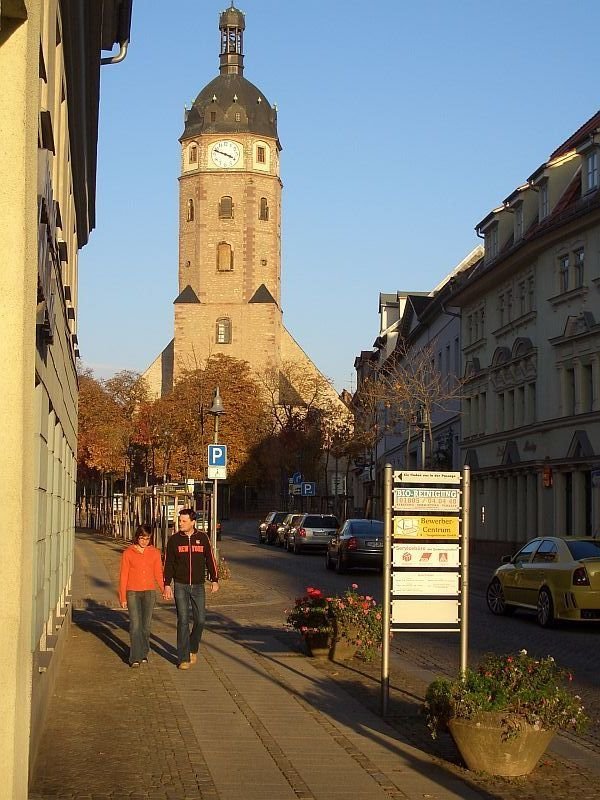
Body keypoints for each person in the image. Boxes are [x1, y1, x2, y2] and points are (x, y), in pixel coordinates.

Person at [163, 508, 219, 669]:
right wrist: (167, 584)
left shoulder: (202, 538)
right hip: (180, 585)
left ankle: (193, 647)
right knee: (183, 621)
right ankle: (183, 658)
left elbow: (210, 559)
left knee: (200, 620)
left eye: (184, 521)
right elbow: (168, 564)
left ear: (193, 522)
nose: (181, 523)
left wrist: (214, 580)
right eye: (180, 520)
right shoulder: (174, 540)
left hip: (198, 585)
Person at [118, 524, 165, 668]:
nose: (144, 541)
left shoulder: (155, 553)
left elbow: (158, 572)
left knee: (146, 625)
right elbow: (123, 575)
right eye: (142, 538)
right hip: (132, 591)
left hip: (149, 592)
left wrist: (164, 589)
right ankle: (134, 657)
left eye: (147, 538)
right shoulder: (128, 553)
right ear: (137, 537)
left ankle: (144, 651)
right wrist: (122, 597)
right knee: (135, 625)